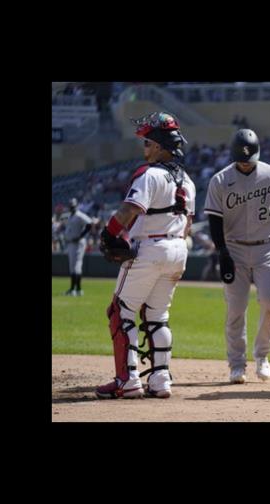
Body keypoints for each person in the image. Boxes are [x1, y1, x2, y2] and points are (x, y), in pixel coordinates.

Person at [94, 111, 196, 400]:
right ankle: (161, 380)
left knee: (120, 312)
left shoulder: (148, 174)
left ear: (163, 146)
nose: (145, 149)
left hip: (149, 248)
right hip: (178, 249)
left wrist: (108, 234)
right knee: (157, 316)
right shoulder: (188, 181)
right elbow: (187, 225)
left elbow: (129, 211)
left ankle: (127, 381)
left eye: (149, 143)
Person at [203, 129, 270, 384]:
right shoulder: (220, 180)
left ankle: (262, 355)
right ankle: (237, 365)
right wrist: (222, 250)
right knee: (236, 309)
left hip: (266, 248)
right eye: (241, 157)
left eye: (250, 157)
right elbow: (214, 219)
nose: (245, 161)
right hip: (234, 248)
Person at [64, 198, 93, 296]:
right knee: (72, 266)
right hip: (71, 243)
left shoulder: (79, 215)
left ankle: (78, 289)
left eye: (73, 206)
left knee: (77, 265)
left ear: (76, 206)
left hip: (78, 243)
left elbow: (90, 223)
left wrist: (81, 236)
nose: (71, 207)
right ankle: (73, 289)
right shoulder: (70, 216)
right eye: (70, 206)